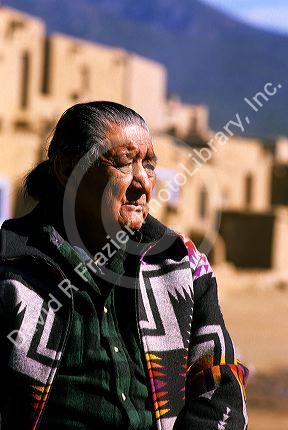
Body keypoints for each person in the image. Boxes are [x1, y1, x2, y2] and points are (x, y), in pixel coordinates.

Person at [0, 101, 248, 430]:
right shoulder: (12, 267)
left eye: (149, 166)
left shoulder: (181, 264)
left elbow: (221, 381)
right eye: (123, 163)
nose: (142, 182)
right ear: (66, 170)